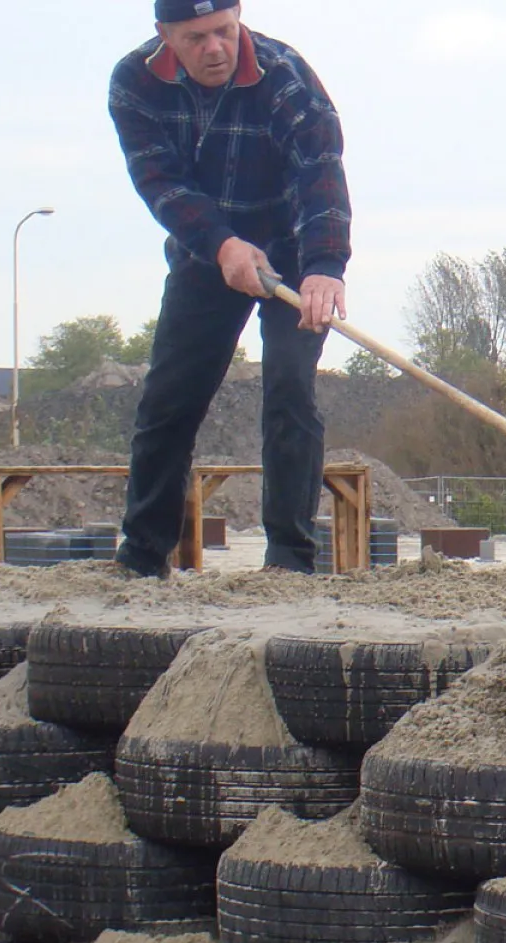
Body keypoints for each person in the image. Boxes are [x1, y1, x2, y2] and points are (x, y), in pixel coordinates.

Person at [107, 0, 350, 577]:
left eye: (223, 31)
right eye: (196, 39)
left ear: (240, 14)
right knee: (169, 398)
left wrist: (324, 265)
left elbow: (321, 171)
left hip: (293, 252)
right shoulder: (134, 83)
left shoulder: (286, 76)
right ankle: (142, 556)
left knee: (290, 390)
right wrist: (221, 245)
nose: (215, 48)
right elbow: (159, 182)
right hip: (206, 250)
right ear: (164, 35)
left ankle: (289, 559)